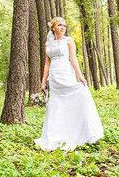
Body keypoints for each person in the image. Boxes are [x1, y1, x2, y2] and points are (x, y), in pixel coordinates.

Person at [34, 17, 104, 151]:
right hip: (54, 77)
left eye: (64, 25)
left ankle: (79, 132)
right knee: (56, 105)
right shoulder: (48, 44)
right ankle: (56, 135)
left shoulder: (69, 41)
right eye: (59, 25)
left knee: (73, 99)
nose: (62, 27)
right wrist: (43, 82)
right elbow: (47, 64)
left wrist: (80, 76)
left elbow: (73, 59)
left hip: (66, 73)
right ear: (53, 28)